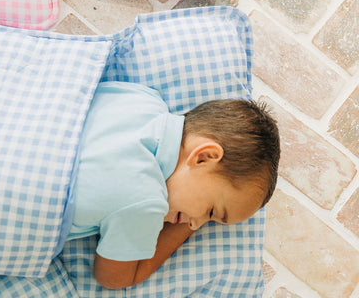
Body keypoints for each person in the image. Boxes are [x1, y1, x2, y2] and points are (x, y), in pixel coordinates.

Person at [65, 81, 280, 289]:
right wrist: (181, 229)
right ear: (203, 157)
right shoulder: (146, 203)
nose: (195, 225)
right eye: (211, 211)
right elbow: (114, 277)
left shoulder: (143, 98)